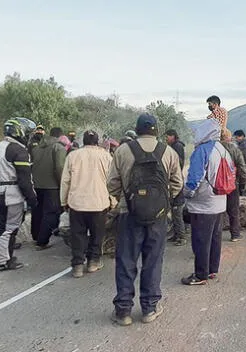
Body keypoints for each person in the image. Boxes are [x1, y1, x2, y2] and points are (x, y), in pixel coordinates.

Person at [107, 113, 182, 326]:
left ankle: (123, 311)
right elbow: (177, 183)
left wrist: (126, 200)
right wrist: (163, 202)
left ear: (137, 129)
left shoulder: (122, 150)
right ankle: (149, 308)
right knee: (153, 261)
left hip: (128, 214)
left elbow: (112, 184)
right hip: (158, 217)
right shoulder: (167, 151)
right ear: (157, 130)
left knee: (126, 261)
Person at [181, 119, 232, 286]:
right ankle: (212, 270)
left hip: (203, 204)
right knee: (215, 238)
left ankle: (200, 275)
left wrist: (186, 194)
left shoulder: (202, 150)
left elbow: (194, 179)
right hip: (220, 201)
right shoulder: (223, 150)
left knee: (201, 240)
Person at [60, 130, 113, 278]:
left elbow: (65, 181)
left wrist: (63, 201)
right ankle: (93, 262)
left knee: (77, 235)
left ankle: (77, 265)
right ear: (97, 142)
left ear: (83, 141)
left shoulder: (73, 156)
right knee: (97, 235)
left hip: (77, 203)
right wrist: (113, 201)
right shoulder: (106, 156)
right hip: (99, 203)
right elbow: (112, 181)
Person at [0, 118, 38, 271]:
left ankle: (3, 256)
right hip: (10, 195)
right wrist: (32, 199)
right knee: (10, 228)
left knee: (1, 226)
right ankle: (3, 261)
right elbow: (24, 180)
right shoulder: (18, 150)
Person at [30, 127, 67, 250]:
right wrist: (62, 184)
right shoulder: (58, 148)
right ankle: (42, 241)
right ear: (60, 136)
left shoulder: (37, 148)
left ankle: (35, 236)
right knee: (51, 213)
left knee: (37, 211)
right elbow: (60, 167)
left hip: (37, 184)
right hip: (52, 186)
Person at [221, 129, 246, 242]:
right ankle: (235, 234)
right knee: (233, 210)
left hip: (215, 185)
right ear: (229, 137)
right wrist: (243, 183)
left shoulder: (212, 148)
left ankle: (215, 234)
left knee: (217, 210)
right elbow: (241, 167)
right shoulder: (234, 149)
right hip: (231, 183)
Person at [165, 129, 187, 246]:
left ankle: (181, 237)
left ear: (173, 136)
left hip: (176, 183)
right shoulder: (175, 146)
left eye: (168, 136)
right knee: (174, 212)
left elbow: (179, 163)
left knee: (177, 212)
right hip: (175, 181)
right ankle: (176, 235)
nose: (166, 138)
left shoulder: (177, 146)